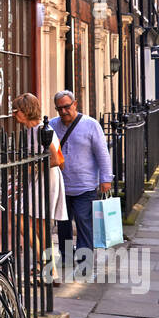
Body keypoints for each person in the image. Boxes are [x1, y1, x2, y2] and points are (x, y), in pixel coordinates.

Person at [14, 93, 68, 284]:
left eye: (17, 110)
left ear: (26, 110)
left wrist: (32, 167)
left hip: (47, 180)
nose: (14, 114)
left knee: (29, 222)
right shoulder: (28, 131)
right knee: (33, 223)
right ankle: (43, 264)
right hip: (35, 180)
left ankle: (49, 268)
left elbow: (57, 160)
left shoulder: (43, 130)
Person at [51, 90, 113, 255]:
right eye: (59, 108)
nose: (63, 111)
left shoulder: (91, 124)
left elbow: (102, 153)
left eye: (66, 107)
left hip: (85, 186)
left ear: (75, 104)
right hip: (61, 185)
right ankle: (66, 256)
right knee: (63, 223)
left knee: (83, 221)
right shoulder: (52, 125)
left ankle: (84, 258)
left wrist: (106, 179)